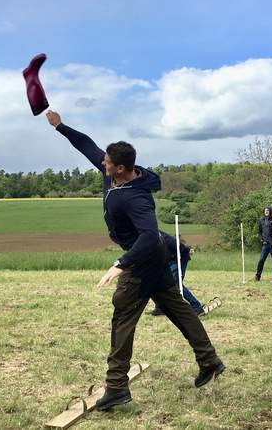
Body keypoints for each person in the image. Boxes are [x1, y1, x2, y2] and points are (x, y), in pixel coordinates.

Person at [46, 110, 225, 410]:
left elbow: (148, 233)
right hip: (153, 259)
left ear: (119, 169)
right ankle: (210, 360)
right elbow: (87, 145)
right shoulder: (116, 174)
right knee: (178, 308)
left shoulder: (134, 197)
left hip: (142, 261)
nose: (101, 163)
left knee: (122, 318)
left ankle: (116, 387)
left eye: (106, 163)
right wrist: (60, 126)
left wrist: (121, 264)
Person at [151, 231, 206, 317]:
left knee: (176, 284)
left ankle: (197, 307)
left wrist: (187, 250)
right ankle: (160, 309)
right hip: (168, 260)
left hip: (180, 258)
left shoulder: (160, 236)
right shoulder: (145, 238)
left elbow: (177, 244)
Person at [254, 206, 272, 283]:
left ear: (270, 211)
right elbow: (259, 232)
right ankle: (257, 275)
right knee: (261, 260)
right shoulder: (261, 220)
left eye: (268, 210)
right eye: (265, 210)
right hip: (265, 244)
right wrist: (261, 239)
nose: (266, 211)